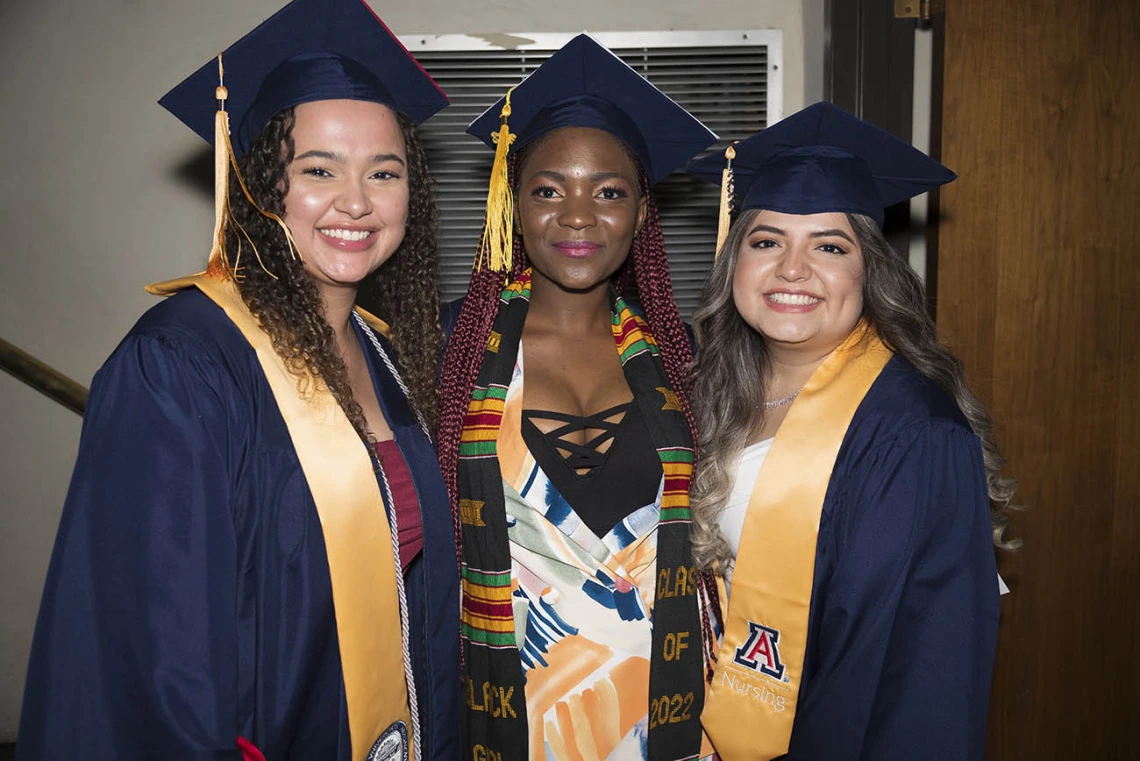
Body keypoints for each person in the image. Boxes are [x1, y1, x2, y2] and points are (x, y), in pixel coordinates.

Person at [17, 1, 459, 759]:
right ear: (257, 183)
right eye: (318, 168)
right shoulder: (180, 367)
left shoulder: (386, 356)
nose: (356, 201)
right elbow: (151, 670)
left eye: (382, 172)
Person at [686, 102, 1017, 761]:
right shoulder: (716, 393)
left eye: (829, 247)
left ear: (870, 271)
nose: (791, 268)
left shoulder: (913, 433)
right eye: (767, 240)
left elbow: (926, 674)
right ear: (735, 265)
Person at [436, 34, 719, 761]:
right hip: (507, 722)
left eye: (610, 190)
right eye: (549, 188)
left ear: (642, 212)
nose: (578, 215)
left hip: (665, 719)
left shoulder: (682, 359)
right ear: (513, 203)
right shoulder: (453, 352)